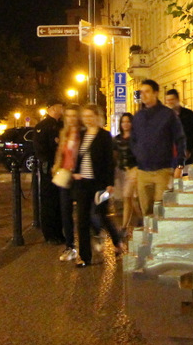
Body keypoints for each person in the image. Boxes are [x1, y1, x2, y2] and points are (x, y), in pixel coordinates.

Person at [71, 104, 125, 266]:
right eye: (85, 116)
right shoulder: (81, 135)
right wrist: (75, 172)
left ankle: (117, 241)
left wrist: (109, 183)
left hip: (99, 183)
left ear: (97, 117)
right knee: (82, 219)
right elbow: (75, 156)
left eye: (91, 116)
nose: (88, 119)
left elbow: (109, 161)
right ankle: (84, 257)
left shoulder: (104, 136)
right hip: (83, 183)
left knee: (102, 214)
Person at [131, 79, 185, 217]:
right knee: (146, 210)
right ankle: (148, 231)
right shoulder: (138, 116)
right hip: (143, 170)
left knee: (161, 210)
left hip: (162, 169)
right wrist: (136, 160)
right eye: (141, 92)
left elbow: (179, 138)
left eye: (147, 92)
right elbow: (133, 140)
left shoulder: (168, 114)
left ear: (155, 93)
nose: (143, 95)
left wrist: (180, 164)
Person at [33, 101, 66, 244]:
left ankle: (59, 232)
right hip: (50, 169)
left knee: (60, 201)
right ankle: (50, 234)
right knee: (49, 201)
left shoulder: (61, 124)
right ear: (52, 108)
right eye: (60, 106)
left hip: (61, 168)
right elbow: (41, 149)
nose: (62, 109)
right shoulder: (43, 126)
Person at [54, 106, 82, 261]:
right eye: (68, 116)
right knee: (65, 212)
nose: (71, 119)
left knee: (86, 213)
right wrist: (57, 167)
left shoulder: (83, 133)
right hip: (65, 175)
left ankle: (94, 236)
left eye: (74, 116)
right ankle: (70, 246)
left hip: (79, 177)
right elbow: (61, 153)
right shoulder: (64, 133)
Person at [113, 112, 140, 235]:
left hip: (134, 169)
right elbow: (114, 155)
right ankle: (139, 219)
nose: (125, 124)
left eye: (128, 121)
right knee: (130, 199)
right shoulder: (117, 139)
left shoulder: (136, 138)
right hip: (122, 171)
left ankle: (125, 226)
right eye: (123, 122)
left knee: (128, 195)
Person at [164, 88, 193, 166]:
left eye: (172, 99)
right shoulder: (165, 117)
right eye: (167, 100)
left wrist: (189, 149)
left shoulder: (189, 114)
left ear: (177, 99)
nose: (169, 102)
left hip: (189, 157)